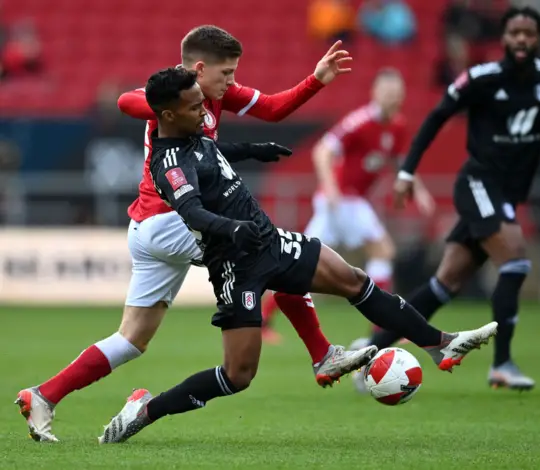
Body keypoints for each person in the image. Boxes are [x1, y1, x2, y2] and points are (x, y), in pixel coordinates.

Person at [98, 67, 497, 443]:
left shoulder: (191, 134)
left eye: (202, 102)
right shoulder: (167, 163)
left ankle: (438, 344)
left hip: (270, 242)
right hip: (236, 265)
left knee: (353, 280)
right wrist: (232, 228)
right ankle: (146, 410)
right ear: (167, 114)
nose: (204, 111)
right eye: (193, 106)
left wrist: (254, 149)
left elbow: (215, 153)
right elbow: (192, 212)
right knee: (238, 375)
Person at [15, 25, 369, 443]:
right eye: (227, 74)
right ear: (199, 71)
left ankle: (43, 395)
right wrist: (158, 106)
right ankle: (322, 354)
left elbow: (272, 109)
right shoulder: (173, 100)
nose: (233, 83)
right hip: (174, 219)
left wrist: (316, 80)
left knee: (131, 340)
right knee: (269, 254)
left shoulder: (216, 94)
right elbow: (126, 101)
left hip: (147, 228)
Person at [350, 6, 540, 392]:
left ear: (539, 39)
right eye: (514, 33)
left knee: (446, 282)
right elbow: (436, 117)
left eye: (529, 33)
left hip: (508, 192)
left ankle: (369, 352)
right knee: (515, 259)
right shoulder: (482, 78)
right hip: (479, 182)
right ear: (504, 38)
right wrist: (407, 172)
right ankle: (503, 365)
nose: (522, 40)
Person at [261, 68, 434, 338]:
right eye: (387, 93)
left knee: (300, 264)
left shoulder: (397, 126)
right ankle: (382, 327)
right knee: (382, 251)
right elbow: (322, 151)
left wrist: (418, 190)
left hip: (350, 202)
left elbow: (402, 163)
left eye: (397, 94)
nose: (392, 98)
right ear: (375, 93)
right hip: (343, 200)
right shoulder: (360, 121)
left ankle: (263, 319)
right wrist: (331, 189)